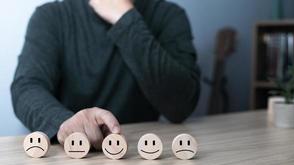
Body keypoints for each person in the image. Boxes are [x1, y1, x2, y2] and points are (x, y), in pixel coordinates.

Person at [11, 0, 200, 150]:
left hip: (138, 154)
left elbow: (181, 106)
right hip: (70, 155)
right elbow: (27, 87)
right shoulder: (51, 16)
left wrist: (125, 19)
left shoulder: (169, 16)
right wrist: (66, 122)